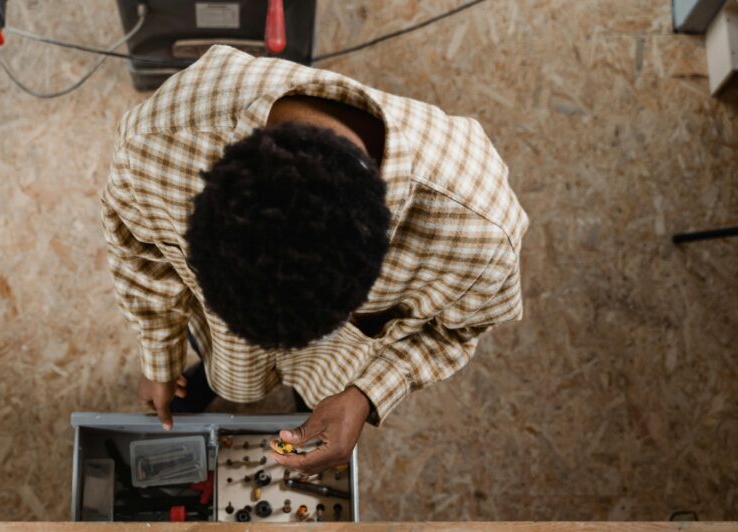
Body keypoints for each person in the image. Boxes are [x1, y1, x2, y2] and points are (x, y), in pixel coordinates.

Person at [101, 45, 527, 475]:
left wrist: (365, 395)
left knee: (312, 401)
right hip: (223, 353)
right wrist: (160, 357)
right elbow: (138, 251)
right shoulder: (155, 144)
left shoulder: (481, 238)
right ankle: (208, 377)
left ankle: (309, 402)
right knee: (217, 367)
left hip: (331, 370)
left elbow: (458, 330)